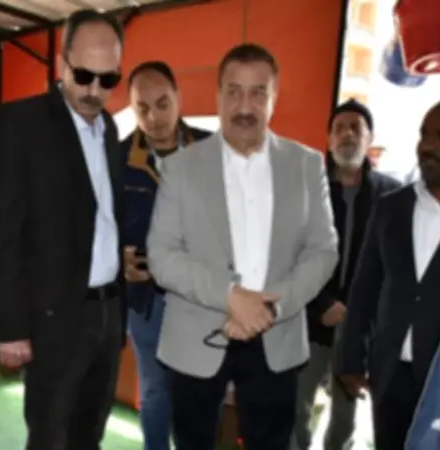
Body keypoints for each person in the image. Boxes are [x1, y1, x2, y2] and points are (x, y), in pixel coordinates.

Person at [146, 43, 338, 450]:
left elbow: (323, 251)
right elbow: (162, 256)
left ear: (274, 98)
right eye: (233, 91)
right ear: (218, 96)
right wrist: (231, 296)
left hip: (277, 335)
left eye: (257, 93)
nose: (244, 106)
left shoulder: (307, 165)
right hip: (196, 336)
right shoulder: (180, 168)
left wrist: (270, 308)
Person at [0, 9, 126, 450]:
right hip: (52, 320)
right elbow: (0, 234)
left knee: (89, 435)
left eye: (108, 80)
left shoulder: (109, 128)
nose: (94, 91)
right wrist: (11, 328)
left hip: (107, 313)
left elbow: (104, 217)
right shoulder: (17, 124)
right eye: (84, 76)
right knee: (49, 438)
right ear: (62, 65)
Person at [336, 96, 440, 450]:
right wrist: (350, 357)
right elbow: (365, 288)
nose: (427, 146)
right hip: (391, 376)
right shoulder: (392, 207)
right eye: (424, 134)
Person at [291, 99, 401, 450]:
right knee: (296, 409)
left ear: (370, 139)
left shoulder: (392, 195)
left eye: (356, 127)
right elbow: (288, 256)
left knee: (345, 417)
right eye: (339, 128)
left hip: (359, 329)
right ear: (328, 139)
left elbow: (394, 267)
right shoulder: (307, 191)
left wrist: (363, 316)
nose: (347, 134)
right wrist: (321, 304)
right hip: (310, 322)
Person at [120, 60, 212, 450]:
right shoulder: (118, 159)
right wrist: (120, 263)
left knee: (197, 388)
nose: (154, 118)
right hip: (146, 300)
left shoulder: (214, 151)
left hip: (200, 298)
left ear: (179, 98)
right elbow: (101, 227)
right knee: (155, 389)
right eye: (142, 108)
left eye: (162, 104)